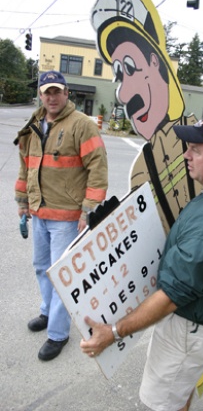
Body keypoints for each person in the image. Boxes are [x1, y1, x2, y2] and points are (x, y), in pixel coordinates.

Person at [80, 113, 203, 411]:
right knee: (179, 392)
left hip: (191, 329)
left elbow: (171, 297)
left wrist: (112, 333)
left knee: (161, 402)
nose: (186, 155)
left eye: (196, 150)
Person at [91, 0, 200, 234]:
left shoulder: (202, 139)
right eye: (119, 75)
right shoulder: (141, 167)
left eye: (130, 68)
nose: (123, 92)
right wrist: (109, 231)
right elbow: (144, 237)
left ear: (155, 62)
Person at [14, 70, 108, 361]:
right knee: (42, 267)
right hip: (39, 211)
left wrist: (88, 211)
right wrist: (22, 201)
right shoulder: (33, 124)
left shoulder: (81, 125)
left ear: (67, 94)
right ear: (41, 95)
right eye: (46, 92)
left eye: (57, 91)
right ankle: (47, 311)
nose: (51, 97)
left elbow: (98, 170)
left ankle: (58, 333)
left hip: (67, 218)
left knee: (60, 277)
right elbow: (25, 165)